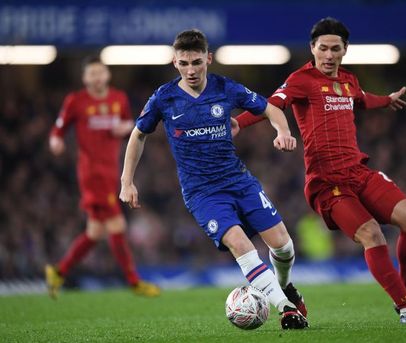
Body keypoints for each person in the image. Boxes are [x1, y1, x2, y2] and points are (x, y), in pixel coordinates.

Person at [234, 17, 406, 324]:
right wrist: (238, 123)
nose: (329, 55)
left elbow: (360, 99)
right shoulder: (301, 79)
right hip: (327, 183)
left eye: (335, 49)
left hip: (358, 172)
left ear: (345, 50)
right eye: (323, 48)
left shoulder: (348, 80)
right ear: (312, 49)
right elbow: (270, 105)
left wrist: (386, 101)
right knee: (371, 234)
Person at [119, 29, 308, 329]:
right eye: (184, 63)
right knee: (239, 242)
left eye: (196, 62)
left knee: (283, 246)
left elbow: (271, 108)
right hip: (202, 193)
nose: (191, 70)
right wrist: (126, 181)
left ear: (208, 58)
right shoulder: (164, 98)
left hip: (238, 181)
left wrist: (282, 131)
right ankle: (286, 308)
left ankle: (285, 287)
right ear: (175, 62)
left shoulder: (226, 88)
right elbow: (138, 135)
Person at [45, 56, 160, 298]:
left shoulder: (118, 99)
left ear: (107, 75)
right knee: (118, 225)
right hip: (92, 173)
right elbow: (59, 128)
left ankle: (59, 271)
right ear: (85, 78)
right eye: (92, 74)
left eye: (100, 73)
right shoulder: (75, 101)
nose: (97, 78)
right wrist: (55, 140)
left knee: (95, 232)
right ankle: (133, 281)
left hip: (111, 170)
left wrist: (125, 127)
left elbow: (133, 123)